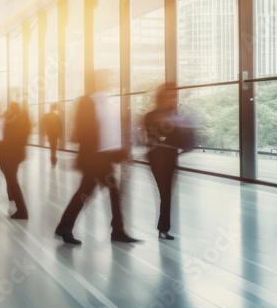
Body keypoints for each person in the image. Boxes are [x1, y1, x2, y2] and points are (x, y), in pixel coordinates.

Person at [55, 70, 140, 245]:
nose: (106, 82)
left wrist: (119, 152)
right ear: (94, 82)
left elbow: (110, 132)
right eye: (102, 79)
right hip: (94, 159)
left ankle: (114, 229)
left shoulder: (105, 101)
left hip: (104, 158)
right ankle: (68, 226)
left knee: (101, 192)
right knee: (88, 193)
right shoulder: (86, 101)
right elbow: (85, 132)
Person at [143, 83, 196, 240]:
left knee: (167, 193)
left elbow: (182, 138)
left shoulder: (177, 115)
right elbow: (153, 136)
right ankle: (163, 228)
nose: (173, 98)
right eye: (169, 95)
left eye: (174, 96)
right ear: (162, 97)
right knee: (164, 192)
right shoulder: (151, 115)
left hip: (170, 157)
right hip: (157, 157)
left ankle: (163, 228)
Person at [0, 102, 31, 220]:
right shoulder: (23, 119)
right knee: (12, 178)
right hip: (17, 154)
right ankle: (13, 198)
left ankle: (22, 211)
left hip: (8, 154)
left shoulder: (10, 119)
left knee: (12, 179)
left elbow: (4, 135)